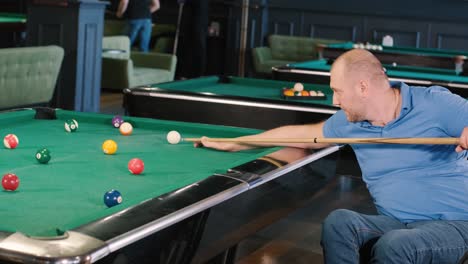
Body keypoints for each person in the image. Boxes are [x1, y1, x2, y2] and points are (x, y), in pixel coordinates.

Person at [194, 49, 468, 263]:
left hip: (454, 224)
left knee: (394, 245)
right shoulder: (349, 123)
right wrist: (236, 143)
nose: (334, 101)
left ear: (362, 88)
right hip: (397, 222)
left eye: (338, 92)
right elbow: (302, 134)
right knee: (339, 222)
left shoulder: (435, 103)